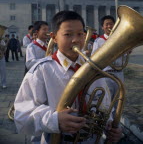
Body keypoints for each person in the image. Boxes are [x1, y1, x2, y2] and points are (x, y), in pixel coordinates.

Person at [14, 11, 122, 144]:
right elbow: (22, 115)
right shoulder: (41, 71)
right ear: (54, 37)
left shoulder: (95, 71)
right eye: (67, 34)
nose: (76, 40)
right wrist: (54, 120)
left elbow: (104, 105)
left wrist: (110, 125)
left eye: (80, 34)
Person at [91, 15, 125, 103]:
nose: (109, 26)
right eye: (106, 24)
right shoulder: (98, 41)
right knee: (107, 99)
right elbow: (94, 57)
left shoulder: (120, 39)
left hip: (119, 73)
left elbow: (125, 54)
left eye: (111, 24)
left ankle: (118, 116)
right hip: (106, 74)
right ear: (102, 27)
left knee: (119, 99)